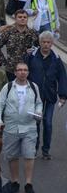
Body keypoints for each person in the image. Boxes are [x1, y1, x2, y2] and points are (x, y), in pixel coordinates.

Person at [0, 62, 42, 193]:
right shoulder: (8, 87)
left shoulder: (33, 87)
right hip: (11, 126)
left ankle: (28, 183)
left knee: (29, 154)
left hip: (29, 126)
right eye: (19, 70)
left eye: (25, 70)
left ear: (28, 72)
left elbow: (39, 103)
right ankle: (15, 181)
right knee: (12, 155)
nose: (22, 72)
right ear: (15, 73)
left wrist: (38, 112)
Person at [26, 31, 67, 159]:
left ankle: (46, 150)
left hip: (50, 95)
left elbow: (62, 77)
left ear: (52, 43)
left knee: (48, 123)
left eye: (48, 42)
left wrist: (63, 95)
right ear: (40, 43)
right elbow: (23, 72)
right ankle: (35, 148)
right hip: (35, 96)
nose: (46, 44)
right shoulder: (31, 56)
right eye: (43, 42)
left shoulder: (56, 59)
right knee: (36, 123)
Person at [0, 9, 39, 80]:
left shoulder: (33, 33)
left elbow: (39, 48)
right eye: (20, 17)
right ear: (15, 18)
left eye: (24, 17)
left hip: (27, 70)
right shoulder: (8, 32)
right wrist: (4, 62)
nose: (22, 19)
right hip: (12, 69)